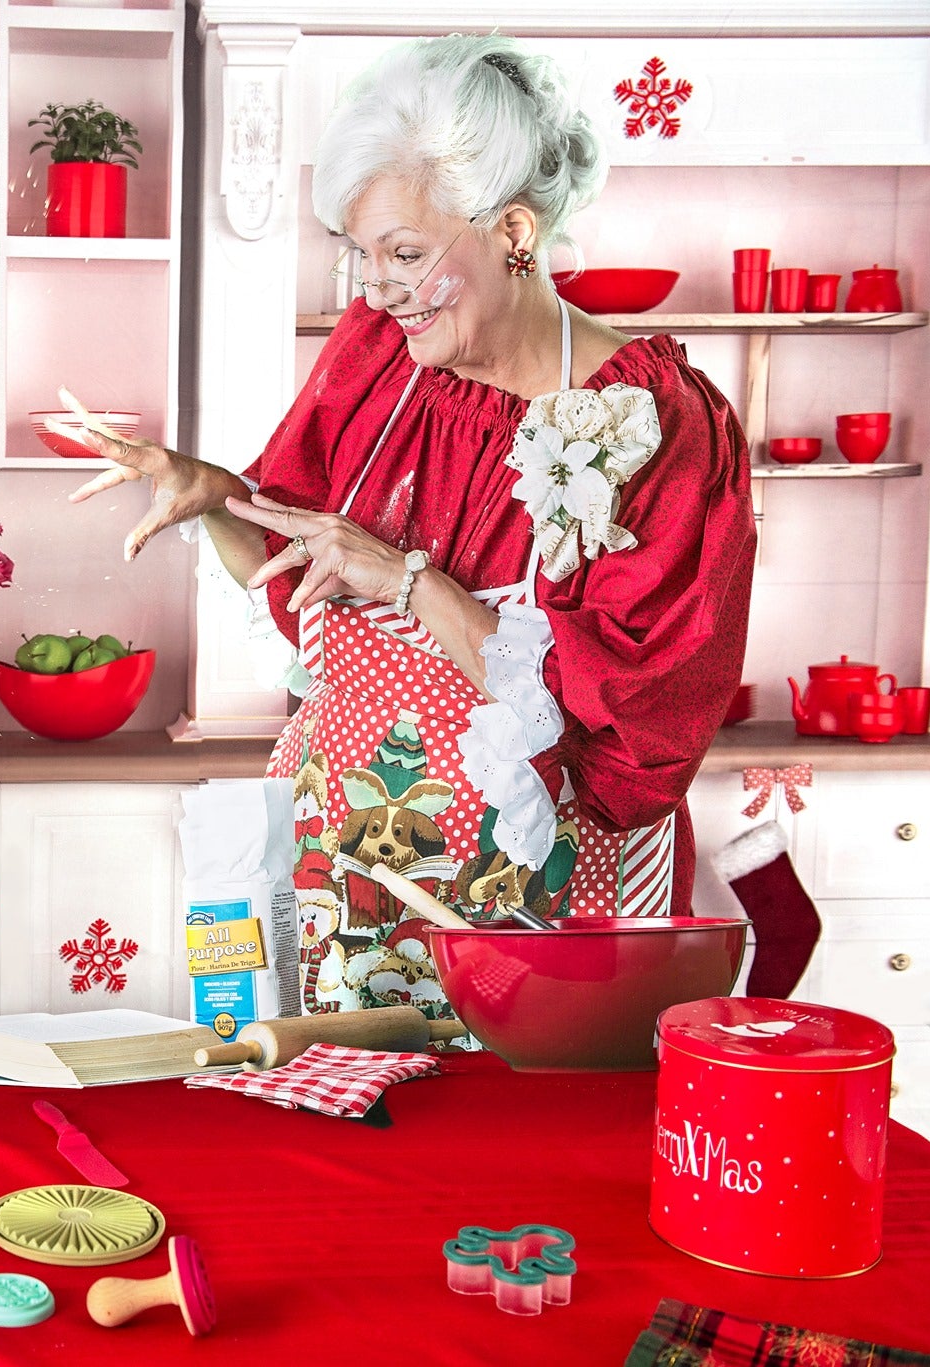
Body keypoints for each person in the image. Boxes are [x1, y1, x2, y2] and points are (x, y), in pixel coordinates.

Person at [56, 34, 754, 1016]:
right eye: (358, 254)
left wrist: (411, 583)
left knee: (522, 1148)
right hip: (357, 882)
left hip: (547, 899)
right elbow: (298, 562)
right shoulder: (379, 359)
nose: (373, 288)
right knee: (369, 1152)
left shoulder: (652, 422)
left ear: (513, 230)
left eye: (405, 253)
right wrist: (213, 492)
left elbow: (635, 721)